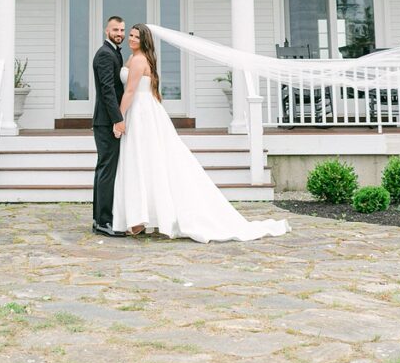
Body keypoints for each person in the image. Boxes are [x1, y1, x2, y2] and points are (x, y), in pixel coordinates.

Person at [112, 23, 289, 243]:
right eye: (129, 35)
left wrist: (118, 118)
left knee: (146, 160)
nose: (130, 39)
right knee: (146, 161)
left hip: (141, 113)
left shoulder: (138, 60)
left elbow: (130, 91)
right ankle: (142, 216)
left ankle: (143, 217)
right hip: (142, 111)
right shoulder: (134, 58)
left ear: (144, 40)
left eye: (135, 37)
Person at [91, 15, 127, 237]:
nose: (120, 34)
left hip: (106, 120)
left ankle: (99, 220)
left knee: (103, 169)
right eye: (116, 30)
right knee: (106, 171)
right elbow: (107, 91)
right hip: (106, 121)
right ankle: (104, 221)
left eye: (122, 30)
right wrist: (118, 119)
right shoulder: (105, 54)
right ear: (107, 31)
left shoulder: (113, 52)